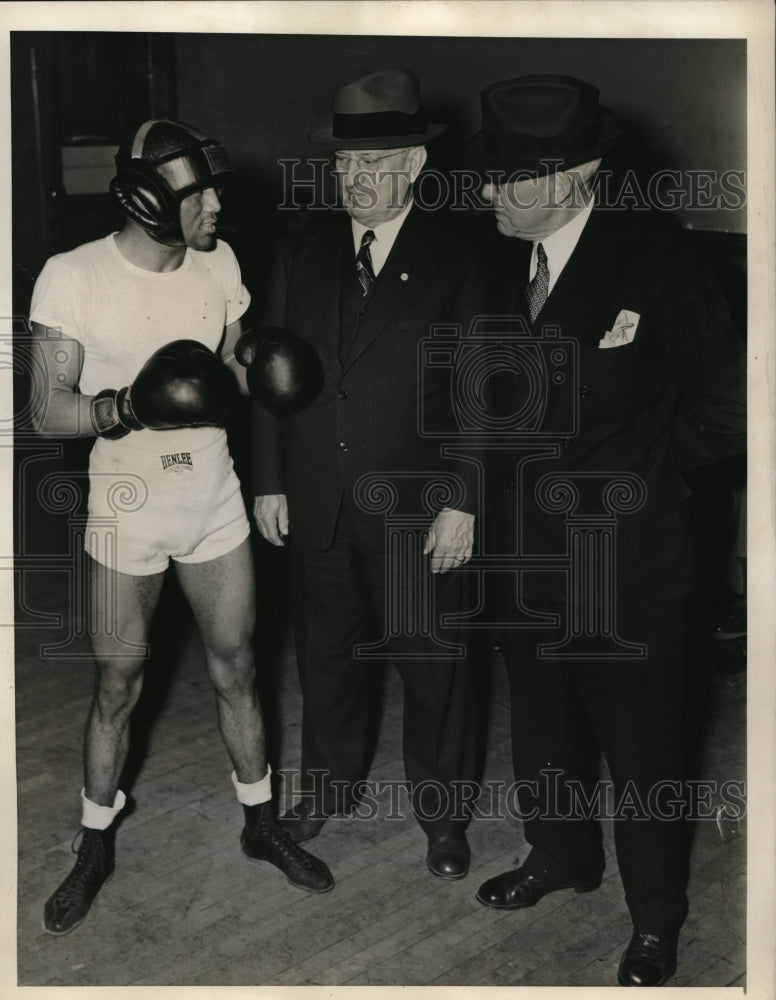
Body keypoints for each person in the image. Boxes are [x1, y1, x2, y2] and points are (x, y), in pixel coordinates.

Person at [465, 76, 746, 986]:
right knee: (543, 725)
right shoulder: (498, 260)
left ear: (579, 174)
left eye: (510, 181)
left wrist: (643, 476)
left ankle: (656, 916)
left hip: (629, 559)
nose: (488, 196)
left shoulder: (660, 263)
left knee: (647, 746)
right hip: (525, 554)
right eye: (488, 177)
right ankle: (561, 853)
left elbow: (732, 407)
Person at [30, 119, 334, 937]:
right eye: (203, 193)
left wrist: (260, 363)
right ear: (149, 197)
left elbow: (232, 358)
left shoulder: (221, 262)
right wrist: (126, 404)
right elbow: (43, 409)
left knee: (239, 667)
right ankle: (94, 839)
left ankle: (260, 820)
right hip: (126, 510)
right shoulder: (72, 276)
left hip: (213, 499)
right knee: (119, 686)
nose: (219, 206)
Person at [250, 70, 486, 879]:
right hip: (317, 496)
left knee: (435, 666)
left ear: (416, 165)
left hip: (422, 510)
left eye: (375, 163)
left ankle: (443, 815)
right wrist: (271, 478)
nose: (355, 178)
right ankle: (331, 785)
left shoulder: (463, 253)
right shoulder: (302, 248)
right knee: (327, 656)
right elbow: (267, 372)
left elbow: (487, 389)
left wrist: (466, 498)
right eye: (346, 164)